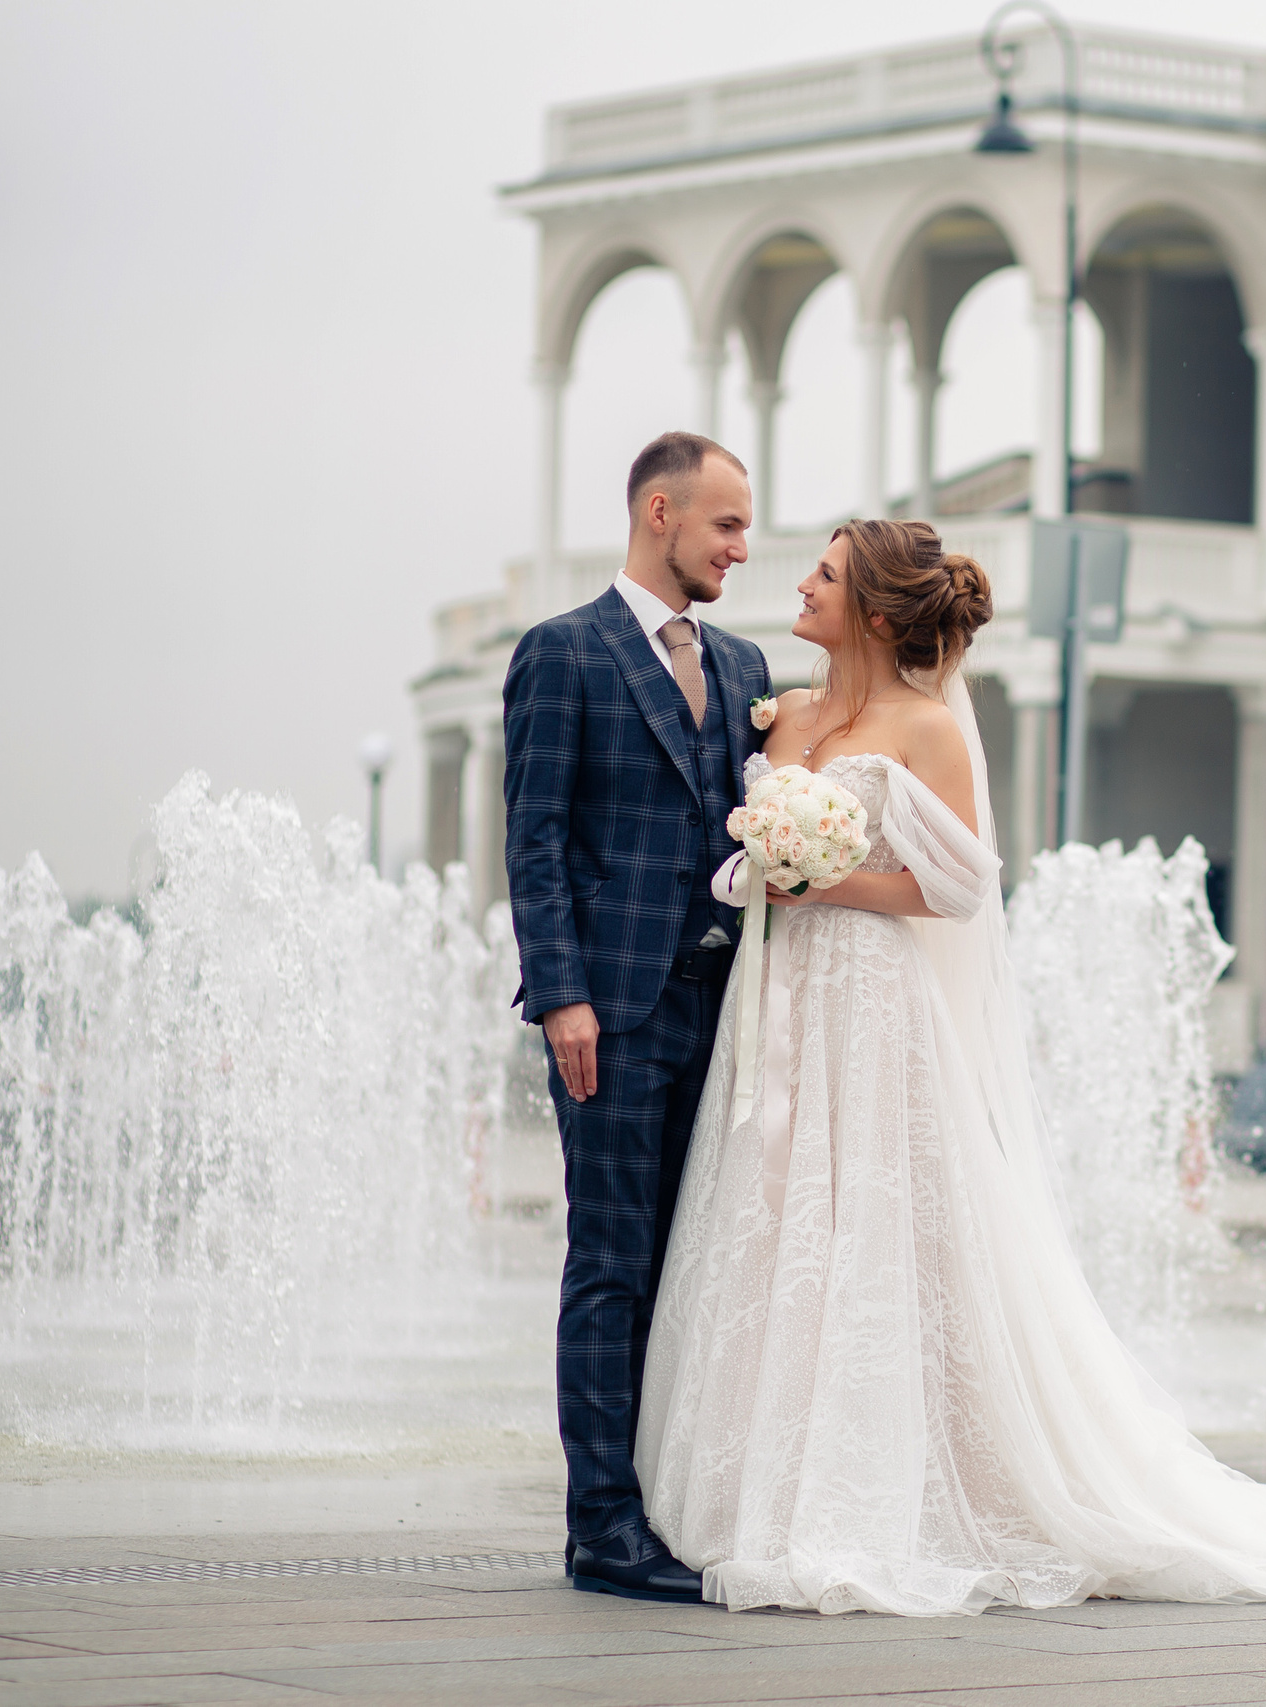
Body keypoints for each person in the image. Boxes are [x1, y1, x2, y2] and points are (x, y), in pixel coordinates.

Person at [635, 519, 1266, 1616]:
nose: (802, 581)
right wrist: (770, 868)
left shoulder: (927, 727)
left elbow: (959, 886)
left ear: (878, 613)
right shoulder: (788, 714)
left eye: (828, 574)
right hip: (779, 996)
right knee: (777, 1216)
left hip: (875, 1003)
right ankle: (759, 1482)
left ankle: (894, 1485)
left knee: (879, 1230)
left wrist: (819, 879)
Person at [504, 432, 772, 1603]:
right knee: (612, 1263)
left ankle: (671, 1503)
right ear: (659, 512)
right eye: (726, 524)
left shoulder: (748, 665)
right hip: (610, 1014)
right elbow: (534, 841)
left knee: (695, 1263)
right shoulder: (563, 651)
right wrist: (561, 995)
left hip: (727, 1013)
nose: (741, 548)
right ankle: (601, 1528)